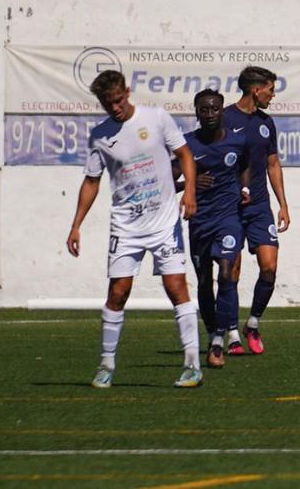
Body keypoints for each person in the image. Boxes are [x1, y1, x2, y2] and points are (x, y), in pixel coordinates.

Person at [65, 70, 203, 388]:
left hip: (163, 220)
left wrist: (191, 192)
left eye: (117, 100)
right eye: (106, 103)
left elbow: (185, 154)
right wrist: (76, 226)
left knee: (176, 287)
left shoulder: (155, 118)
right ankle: (106, 364)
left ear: (127, 92)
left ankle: (192, 364)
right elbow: (91, 181)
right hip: (126, 225)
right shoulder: (100, 135)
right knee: (118, 292)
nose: (114, 107)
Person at [180, 90, 251, 367]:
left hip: (228, 218)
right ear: (196, 112)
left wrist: (244, 186)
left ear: (222, 111)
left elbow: (245, 164)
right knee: (203, 281)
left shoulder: (237, 140)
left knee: (225, 273)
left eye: (214, 109)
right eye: (203, 110)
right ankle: (213, 333)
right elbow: (169, 178)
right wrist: (190, 184)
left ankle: (221, 339)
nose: (209, 115)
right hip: (199, 221)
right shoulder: (187, 145)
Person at [222, 66, 289, 355]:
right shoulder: (224, 118)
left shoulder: (266, 122)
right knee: (231, 272)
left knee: (269, 268)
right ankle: (233, 334)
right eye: (271, 90)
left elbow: (272, 163)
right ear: (256, 90)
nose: (272, 96)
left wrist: (283, 204)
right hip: (231, 207)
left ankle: (253, 323)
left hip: (261, 207)